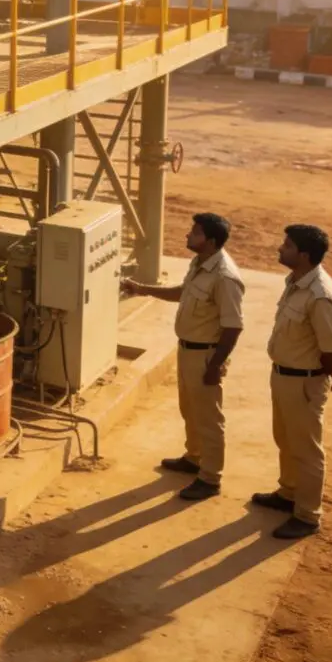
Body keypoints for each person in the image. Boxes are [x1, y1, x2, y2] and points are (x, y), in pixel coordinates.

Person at [122, 213, 244, 501]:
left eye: (196, 232)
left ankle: (210, 478)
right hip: (188, 350)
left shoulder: (225, 277)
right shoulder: (200, 263)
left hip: (205, 355)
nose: (188, 235)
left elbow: (233, 326)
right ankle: (194, 457)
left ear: (211, 241)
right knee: (190, 409)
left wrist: (215, 365)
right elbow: (183, 292)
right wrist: (142, 289)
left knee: (208, 418)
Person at [252, 224, 332, 539]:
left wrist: (321, 381)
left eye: (286, 245)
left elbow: (331, 348)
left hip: (304, 382)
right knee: (285, 440)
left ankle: (307, 515)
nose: (279, 248)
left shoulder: (320, 294)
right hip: (284, 376)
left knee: (306, 450)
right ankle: (288, 492)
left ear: (304, 255)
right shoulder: (296, 282)